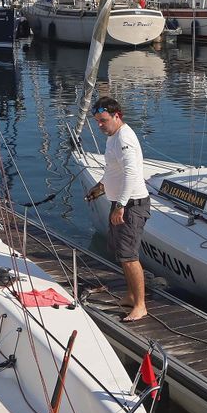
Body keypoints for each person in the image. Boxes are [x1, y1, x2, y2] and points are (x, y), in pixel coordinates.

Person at [85, 97, 151, 322]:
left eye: (103, 120)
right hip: (121, 202)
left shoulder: (124, 139)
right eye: (97, 121)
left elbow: (132, 174)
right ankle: (132, 295)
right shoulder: (113, 136)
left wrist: (121, 205)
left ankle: (140, 305)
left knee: (130, 256)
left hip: (132, 205)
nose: (100, 125)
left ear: (117, 116)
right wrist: (101, 187)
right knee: (121, 254)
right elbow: (114, 170)